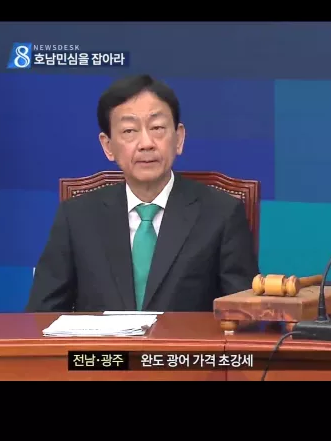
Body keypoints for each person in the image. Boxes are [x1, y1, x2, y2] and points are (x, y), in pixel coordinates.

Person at [27, 75, 260, 312]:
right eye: (129, 131)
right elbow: (41, 313)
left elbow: (244, 314)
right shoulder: (77, 217)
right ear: (108, 146)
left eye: (157, 128)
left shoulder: (221, 213)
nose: (146, 143)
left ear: (179, 138)